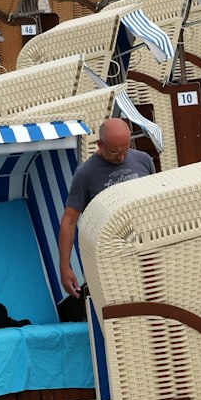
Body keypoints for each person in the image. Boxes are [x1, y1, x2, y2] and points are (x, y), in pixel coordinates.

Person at [56, 116, 154, 294]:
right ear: (100, 145)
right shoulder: (85, 174)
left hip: (146, 252)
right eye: (116, 153)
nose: (123, 156)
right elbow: (69, 221)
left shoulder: (144, 160)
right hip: (112, 259)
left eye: (126, 149)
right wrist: (64, 267)